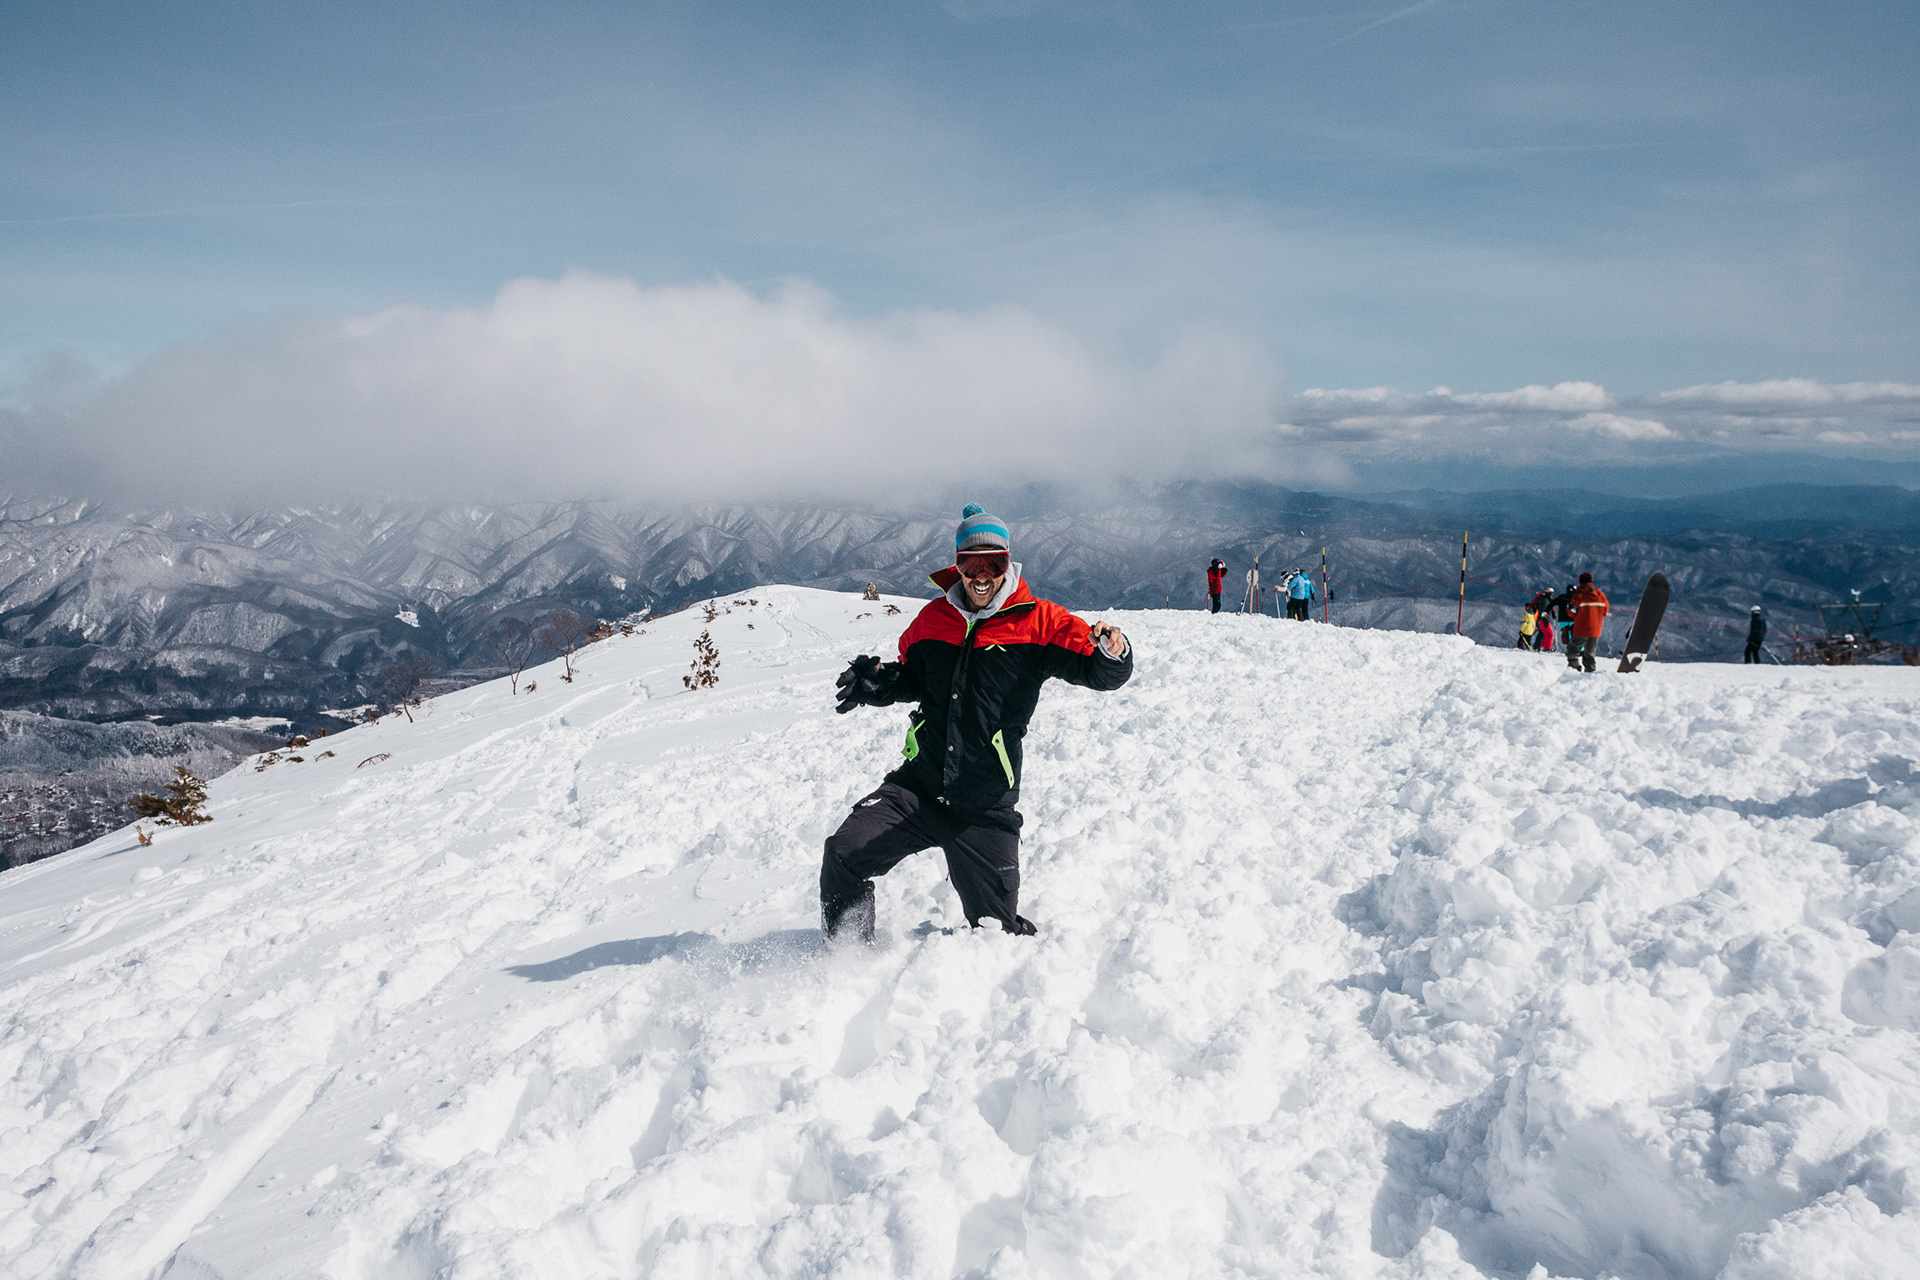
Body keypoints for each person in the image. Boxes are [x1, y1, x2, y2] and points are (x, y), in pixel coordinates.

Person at [823, 504, 1134, 941]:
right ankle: (845, 957)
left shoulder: (1039, 622)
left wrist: (1113, 651)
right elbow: (915, 677)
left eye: (994, 562)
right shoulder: (932, 619)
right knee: (843, 853)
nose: (982, 573)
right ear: (958, 566)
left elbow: (1101, 672)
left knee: (998, 933)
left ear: (1008, 564)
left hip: (984, 805)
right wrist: (877, 685)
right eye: (971, 563)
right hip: (919, 788)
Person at [1566, 572, 1609, 673]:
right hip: (1595, 629)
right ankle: (1590, 671)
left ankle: (1574, 666)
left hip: (1581, 628)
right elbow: (1606, 610)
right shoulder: (1600, 594)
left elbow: (1572, 612)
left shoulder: (1580, 594)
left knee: (1573, 649)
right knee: (1590, 653)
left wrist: (1569, 608)